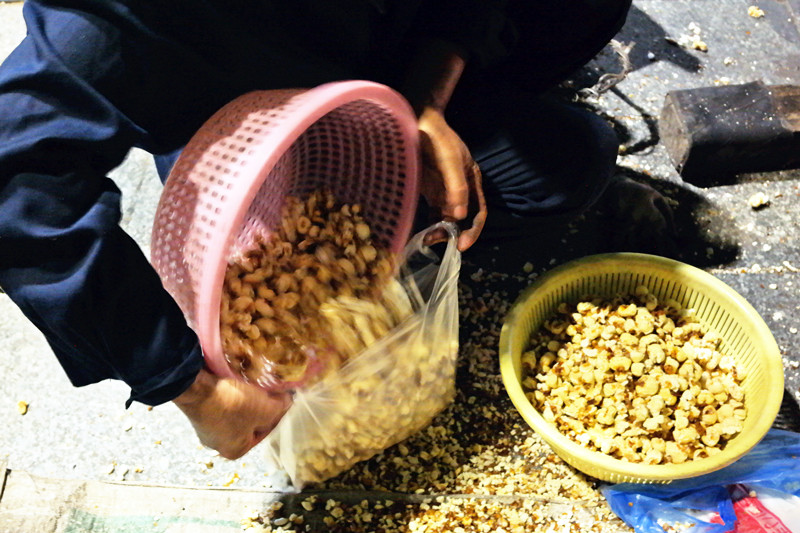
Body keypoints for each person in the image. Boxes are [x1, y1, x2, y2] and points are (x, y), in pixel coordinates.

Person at [0, 0, 642, 460]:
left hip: (378, 48)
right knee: (562, 167)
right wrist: (189, 387)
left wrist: (428, 101)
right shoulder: (108, 21)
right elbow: (15, 176)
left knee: (582, 38)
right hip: (241, 125)